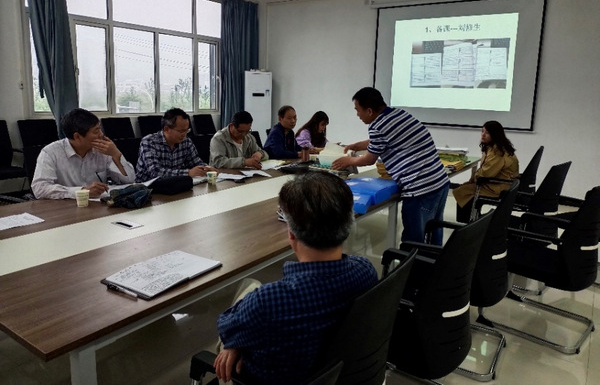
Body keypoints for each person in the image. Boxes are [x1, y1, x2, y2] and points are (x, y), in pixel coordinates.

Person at [214, 171, 378, 384]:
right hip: (337, 375)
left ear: (291, 233)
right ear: (348, 224)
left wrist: (236, 343)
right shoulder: (365, 270)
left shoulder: (268, 301)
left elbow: (226, 327)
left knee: (249, 288)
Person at [332, 87, 450, 245]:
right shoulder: (398, 114)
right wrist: (357, 145)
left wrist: (347, 161)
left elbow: (369, 160)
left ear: (369, 111)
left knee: (414, 239)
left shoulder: (377, 126)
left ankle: (412, 262)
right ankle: (433, 260)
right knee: (433, 232)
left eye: (358, 110)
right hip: (439, 182)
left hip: (420, 188)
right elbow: (383, 139)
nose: (357, 115)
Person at [31, 108, 135, 199]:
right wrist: (82, 191)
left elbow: (129, 181)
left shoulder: (103, 150)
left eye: (100, 129)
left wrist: (116, 154)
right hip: (65, 207)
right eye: (96, 131)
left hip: (98, 206)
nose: (101, 135)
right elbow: (39, 188)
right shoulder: (51, 152)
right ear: (77, 136)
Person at [453, 121, 519, 222]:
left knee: (463, 190)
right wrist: (475, 177)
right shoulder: (493, 147)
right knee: (465, 187)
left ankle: (467, 222)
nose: (483, 135)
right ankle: (471, 219)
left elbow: (486, 174)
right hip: (498, 182)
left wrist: (475, 177)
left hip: (499, 186)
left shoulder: (498, 152)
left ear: (495, 134)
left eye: (487, 133)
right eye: (482, 131)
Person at [135, 108, 216, 182]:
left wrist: (207, 168)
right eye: (181, 131)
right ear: (166, 129)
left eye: (187, 131)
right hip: (147, 188)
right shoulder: (149, 142)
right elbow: (155, 172)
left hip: (174, 185)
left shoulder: (186, 141)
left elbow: (196, 162)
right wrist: (188, 173)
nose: (184, 135)